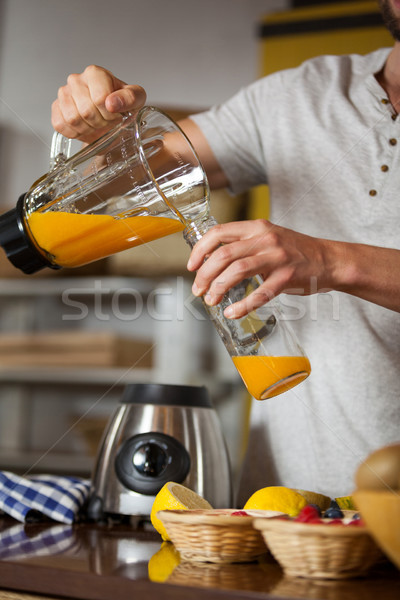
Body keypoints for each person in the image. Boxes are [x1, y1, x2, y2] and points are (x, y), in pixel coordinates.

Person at [51, 0, 400, 503]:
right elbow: (123, 182)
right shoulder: (299, 93)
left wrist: (331, 261)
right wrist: (105, 132)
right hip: (287, 507)